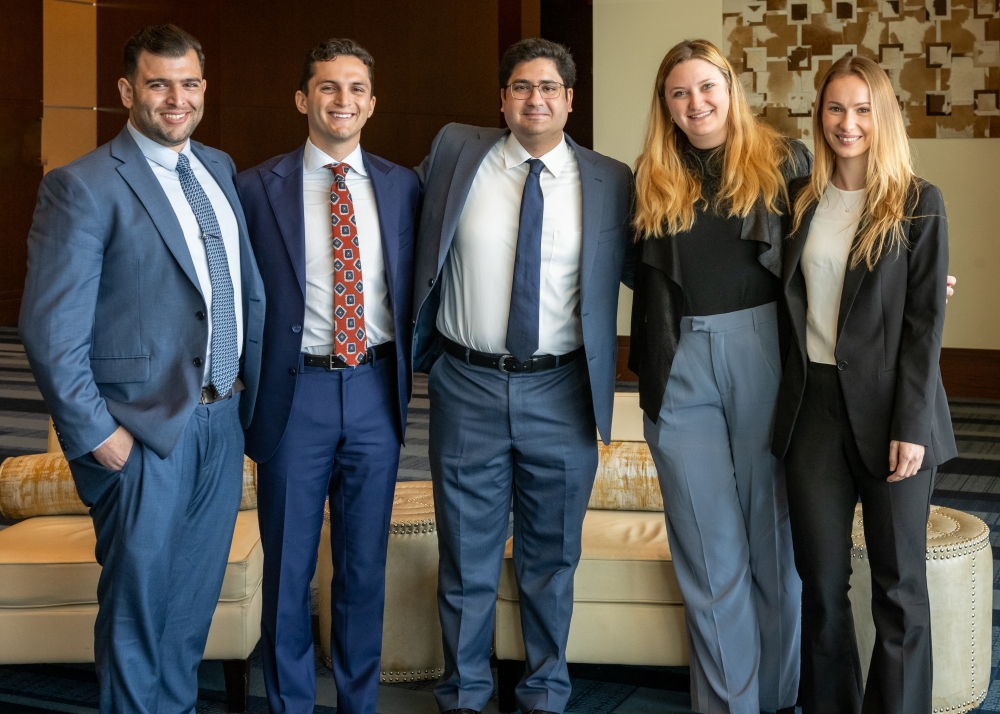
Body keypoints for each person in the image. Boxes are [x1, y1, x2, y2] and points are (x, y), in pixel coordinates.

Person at [19, 24, 265, 714]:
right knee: (137, 611)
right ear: (128, 90)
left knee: (188, 612)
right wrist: (100, 435)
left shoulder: (216, 166)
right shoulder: (83, 186)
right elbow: (49, 330)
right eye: (159, 84)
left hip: (221, 419)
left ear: (205, 89)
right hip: (141, 432)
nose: (175, 98)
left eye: (188, 84)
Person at [411, 38, 633, 714]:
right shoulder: (455, 153)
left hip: (561, 391)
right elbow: (387, 216)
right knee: (466, 561)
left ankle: (544, 694)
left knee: (550, 561)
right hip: (467, 385)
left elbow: (672, 262)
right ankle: (466, 694)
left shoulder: (610, 180)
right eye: (520, 87)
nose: (534, 99)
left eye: (548, 88)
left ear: (570, 100)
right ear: (502, 98)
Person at [236, 39, 419, 714]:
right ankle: (288, 705)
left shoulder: (404, 187)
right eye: (327, 88)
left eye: (355, 89)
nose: (342, 101)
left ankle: (357, 703)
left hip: (375, 390)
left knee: (364, 568)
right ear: (302, 99)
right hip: (294, 395)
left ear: (373, 102)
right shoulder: (256, 187)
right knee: (288, 569)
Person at [627, 39, 809, 714]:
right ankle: (732, 706)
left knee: (774, 543)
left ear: (731, 89)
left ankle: (778, 696)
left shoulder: (787, 160)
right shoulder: (650, 175)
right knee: (707, 554)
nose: (695, 103)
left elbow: (840, 241)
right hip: (679, 361)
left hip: (765, 351)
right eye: (679, 93)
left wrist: (915, 279)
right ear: (666, 106)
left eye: (707, 87)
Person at [772, 55, 957, 714]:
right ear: (819, 115)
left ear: (883, 118)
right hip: (813, 413)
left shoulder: (918, 202)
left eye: (861, 109)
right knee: (820, 585)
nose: (846, 124)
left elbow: (923, 324)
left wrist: (911, 425)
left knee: (899, 586)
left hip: (893, 414)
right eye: (834, 108)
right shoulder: (798, 199)